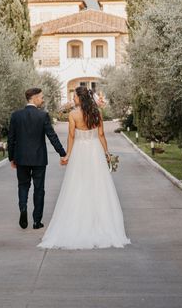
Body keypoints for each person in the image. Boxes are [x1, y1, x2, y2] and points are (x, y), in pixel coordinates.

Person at [38, 86, 131, 249]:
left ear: (80, 98)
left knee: (77, 185)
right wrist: (106, 153)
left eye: (74, 97)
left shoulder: (73, 115)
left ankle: (78, 222)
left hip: (80, 152)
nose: (73, 99)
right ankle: (102, 224)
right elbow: (101, 135)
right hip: (95, 150)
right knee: (98, 185)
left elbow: (72, 136)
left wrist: (67, 155)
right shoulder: (97, 113)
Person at [8, 88, 67, 230]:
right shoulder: (43, 116)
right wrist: (62, 153)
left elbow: (11, 139)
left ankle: (23, 208)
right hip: (39, 159)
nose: (43, 99)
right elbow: (52, 136)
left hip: (21, 158)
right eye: (41, 97)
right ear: (33, 98)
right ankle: (36, 221)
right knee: (39, 189)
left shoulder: (16, 115)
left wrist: (12, 158)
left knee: (23, 185)